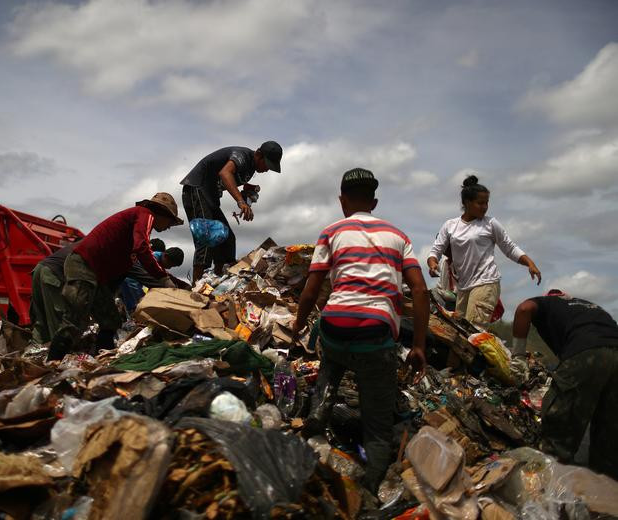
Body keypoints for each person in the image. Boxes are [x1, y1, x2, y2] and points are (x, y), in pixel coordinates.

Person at [291, 168, 429, 495]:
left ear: (342, 200)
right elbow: (420, 292)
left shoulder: (331, 232)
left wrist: (298, 323)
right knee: (378, 427)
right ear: (375, 202)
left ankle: (315, 425)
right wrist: (419, 346)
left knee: (330, 370)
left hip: (335, 325)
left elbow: (311, 291)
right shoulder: (399, 237)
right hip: (376, 333)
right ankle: (367, 495)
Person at [49, 193, 183, 360]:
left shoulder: (133, 228)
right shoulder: (145, 214)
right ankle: (52, 362)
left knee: (110, 320)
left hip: (96, 273)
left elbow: (138, 264)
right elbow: (142, 247)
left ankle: (103, 358)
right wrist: (163, 278)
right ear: (162, 213)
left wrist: (174, 283)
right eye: (170, 222)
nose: (169, 226)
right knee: (75, 318)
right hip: (84, 265)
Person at [511, 290, 618, 479]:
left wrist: (518, 356)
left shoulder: (548, 303)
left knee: (560, 422)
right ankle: (604, 491)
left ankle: (549, 483)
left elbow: (523, 309)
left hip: (587, 351)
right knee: (609, 428)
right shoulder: (590, 309)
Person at [427, 175, 541, 328]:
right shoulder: (450, 225)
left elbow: (509, 247)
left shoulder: (490, 224)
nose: (485, 207)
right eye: (480, 203)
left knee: (473, 329)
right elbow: (436, 250)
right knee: (459, 331)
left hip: (486, 282)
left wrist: (530, 263)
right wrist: (433, 263)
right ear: (467, 203)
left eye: (487, 203)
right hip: (463, 287)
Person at [181, 141, 283, 280]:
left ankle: (217, 277)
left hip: (210, 197)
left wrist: (246, 195)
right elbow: (225, 173)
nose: (266, 169)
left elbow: (229, 181)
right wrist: (240, 201)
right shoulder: (242, 155)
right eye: (266, 164)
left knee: (227, 238)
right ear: (258, 154)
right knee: (208, 235)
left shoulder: (250, 169)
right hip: (196, 189)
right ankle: (197, 284)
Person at [29, 240, 79, 344]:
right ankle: (58, 354)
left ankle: (35, 349)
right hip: (50, 273)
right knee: (57, 319)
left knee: (40, 319)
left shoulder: (74, 247)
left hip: (38, 269)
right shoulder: (86, 250)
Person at [119, 247, 185, 313]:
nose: (170, 267)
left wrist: (184, 285)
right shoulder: (152, 260)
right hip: (131, 284)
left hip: (132, 284)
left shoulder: (158, 262)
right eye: (170, 265)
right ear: (165, 256)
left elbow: (166, 276)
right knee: (138, 308)